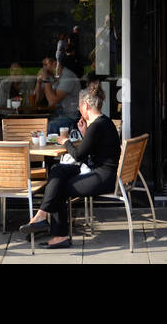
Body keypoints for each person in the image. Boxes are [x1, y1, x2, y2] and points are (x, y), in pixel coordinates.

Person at [18, 86, 120, 249]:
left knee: (59, 187)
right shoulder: (103, 123)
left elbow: (79, 156)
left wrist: (65, 140)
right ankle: (42, 217)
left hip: (102, 177)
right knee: (57, 171)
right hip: (96, 171)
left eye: (79, 107)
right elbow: (90, 151)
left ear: (86, 105)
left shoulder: (97, 126)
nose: (79, 110)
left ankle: (57, 233)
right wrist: (85, 132)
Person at [37, 49, 82, 135]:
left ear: (55, 63)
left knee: (49, 127)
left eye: (46, 64)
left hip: (70, 116)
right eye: (43, 65)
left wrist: (46, 80)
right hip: (55, 114)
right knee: (37, 126)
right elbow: (37, 100)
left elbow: (52, 101)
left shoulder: (67, 76)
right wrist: (39, 83)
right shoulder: (52, 77)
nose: (44, 68)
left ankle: (50, 148)